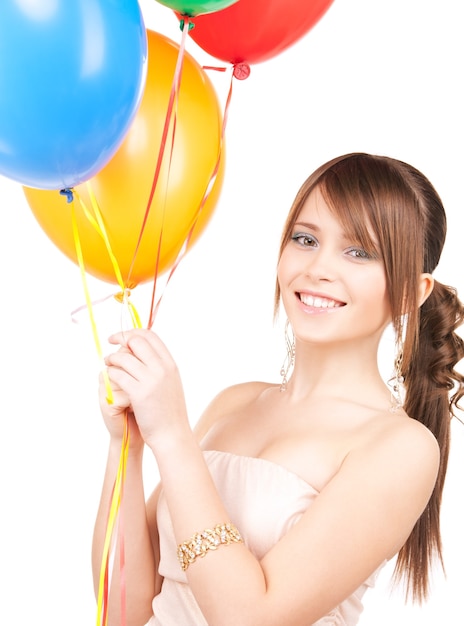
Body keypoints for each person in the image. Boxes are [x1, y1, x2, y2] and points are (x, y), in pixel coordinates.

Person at [92, 152, 464, 626]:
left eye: (359, 251)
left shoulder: (402, 448)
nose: (317, 268)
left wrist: (173, 437)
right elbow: (121, 610)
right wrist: (127, 447)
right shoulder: (237, 401)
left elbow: (251, 619)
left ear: (413, 290)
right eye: (305, 239)